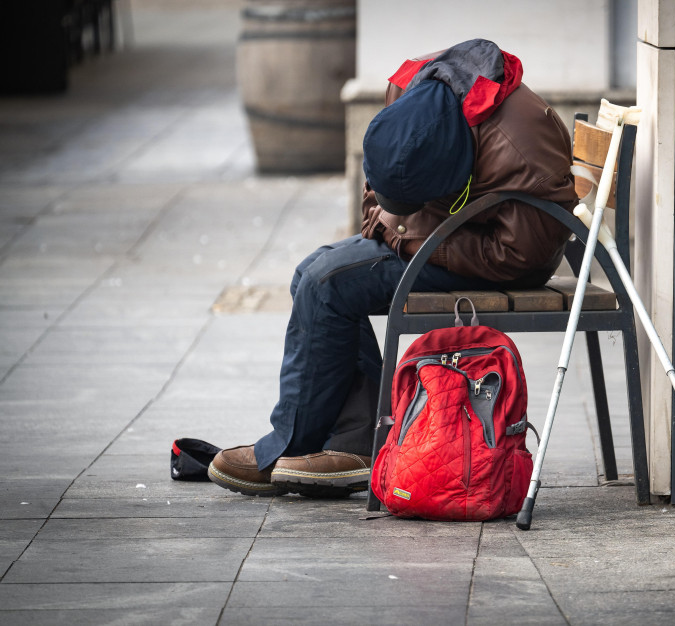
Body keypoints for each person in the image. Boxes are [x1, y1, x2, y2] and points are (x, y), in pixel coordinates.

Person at [207, 38, 578, 497]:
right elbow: (376, 192)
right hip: (436, 232)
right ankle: (354, 441)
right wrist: (392, 220)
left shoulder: (517, 149)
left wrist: (405, 235)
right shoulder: (407, 91)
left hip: (499, 258)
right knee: (311, 272)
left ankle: (288, 446)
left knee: (327, 284)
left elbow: (525, 258)